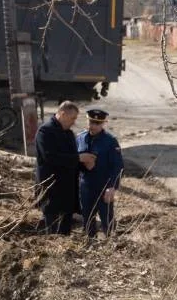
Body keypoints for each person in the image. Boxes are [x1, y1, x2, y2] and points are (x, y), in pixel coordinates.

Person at [34, 101, 92, 234]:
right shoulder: (45, 131)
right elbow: (50, 157)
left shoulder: (69, 134)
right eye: (72, 118)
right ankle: (52, 247)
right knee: (52, 221)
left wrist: (85, 164)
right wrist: (78, 158)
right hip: (51, 184)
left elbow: (72, 157)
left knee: (66, 221)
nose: (74, 122)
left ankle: (64, 247)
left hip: (67, 185)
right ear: (62, 114)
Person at [76, 107, 124, 236]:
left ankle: (111, 243)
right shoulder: (80, 138)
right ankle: (90, 243)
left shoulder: (110, 141)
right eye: (91, 122)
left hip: (104, 185)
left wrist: (112, 187)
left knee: (107, 218)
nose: (94, 126)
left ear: (103, 123)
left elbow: (118, 166)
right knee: (87, 217)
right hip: (86, 185)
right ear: (87, 121)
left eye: (97, 123)